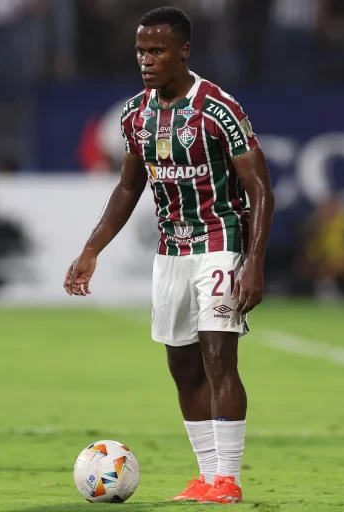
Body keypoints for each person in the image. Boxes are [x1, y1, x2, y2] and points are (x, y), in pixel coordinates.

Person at [63, 6, 275, 504]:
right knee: (182, 367)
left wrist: (255, 262)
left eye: (156, 50)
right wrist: (91, 249)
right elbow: (127, 188)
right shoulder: (136, 115)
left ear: (184, 51)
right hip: (171, 251)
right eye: (140, 51)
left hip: (220, 244)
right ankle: (206, 477)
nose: (146, 60)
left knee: (220, 356)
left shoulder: (218, 109)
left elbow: (260, 188)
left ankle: (228, 479)